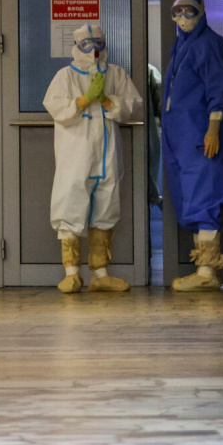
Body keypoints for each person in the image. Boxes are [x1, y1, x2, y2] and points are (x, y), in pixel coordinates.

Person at [43, 22, 144, 293]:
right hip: (76, 155)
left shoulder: (116, 74)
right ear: (76, 46)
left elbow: (133, 104)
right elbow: (55, 107)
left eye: (98, 43)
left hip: (107, 155)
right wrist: (84, 100)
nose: (93, 50)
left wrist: (109, 101)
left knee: (107, 207)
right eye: (86, 45)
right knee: (70, 205)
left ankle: (100, 274)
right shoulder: (65, 76)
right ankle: (71, 273)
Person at [161, 0, 223, 292]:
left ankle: (206, 271)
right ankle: (204, 269)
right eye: (177, 11)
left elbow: (220, 88)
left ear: (202, 10)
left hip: (200, 137)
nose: (183, 16)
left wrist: (213, 127)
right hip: (181, 138)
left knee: (204, 197)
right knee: (191, 198)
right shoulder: (181, 46)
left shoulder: (208, 44)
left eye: (189, 10)